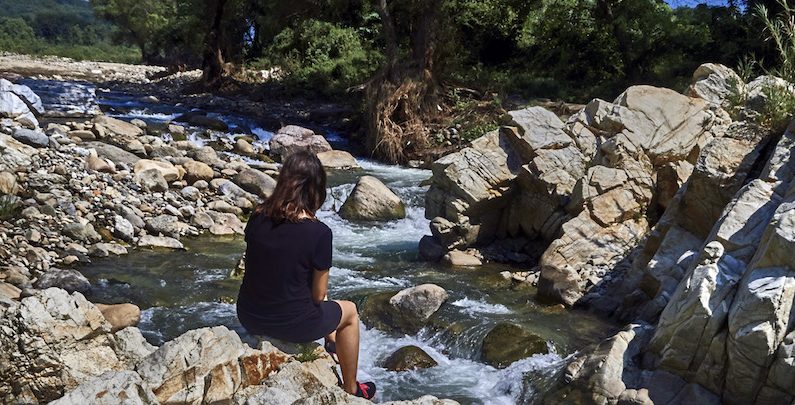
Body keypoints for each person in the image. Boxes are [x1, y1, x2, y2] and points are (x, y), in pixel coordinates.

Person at [236, 150, 376, 400]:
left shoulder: (257, 217)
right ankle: (351, 389)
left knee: (303, 282)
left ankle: (332, 343)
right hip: (291, 325)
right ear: (316, 188)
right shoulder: (319, 233)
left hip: (249, 316)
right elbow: (319, 296)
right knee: (350, 312)